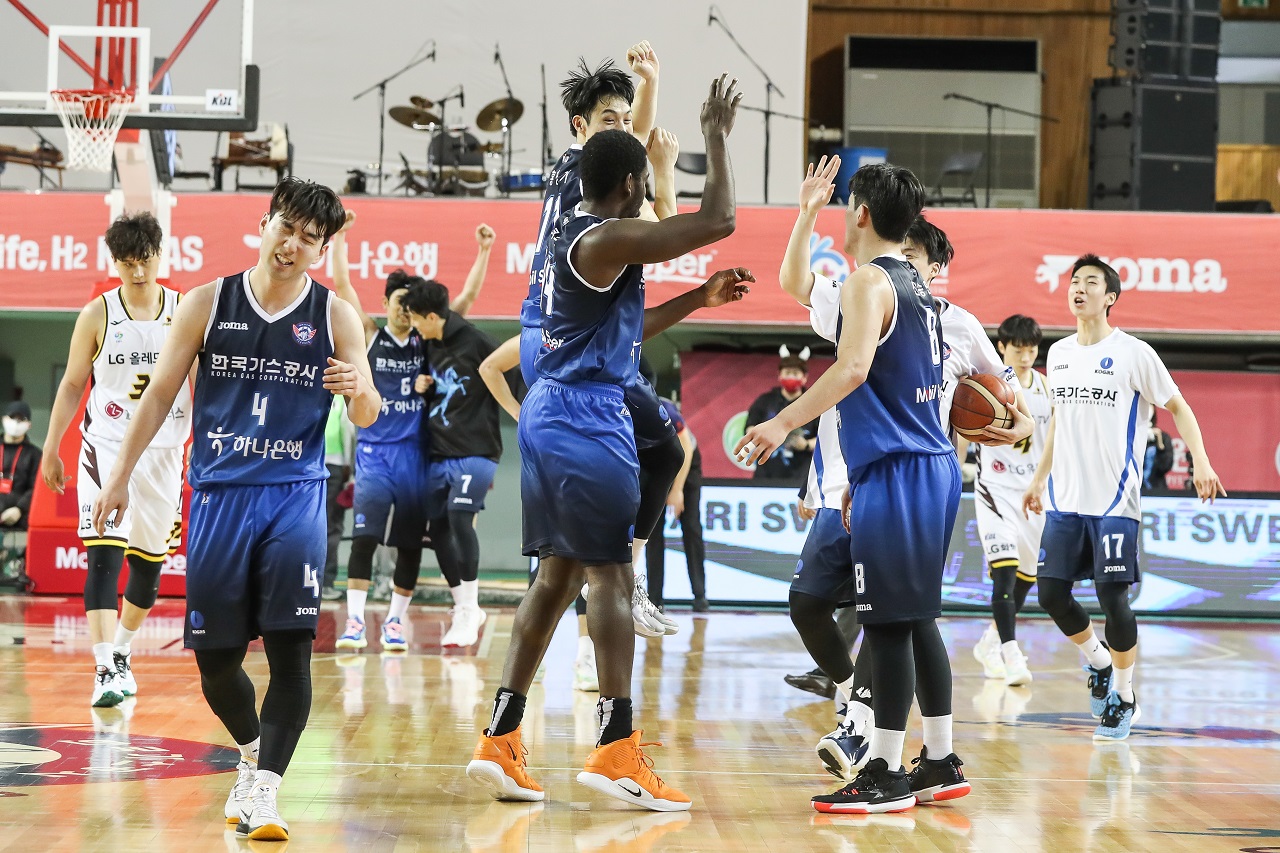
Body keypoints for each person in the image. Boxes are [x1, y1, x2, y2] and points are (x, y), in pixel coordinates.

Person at [465, 76, 749, 813]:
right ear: (629, 185)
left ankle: (500, 737)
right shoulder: (603, 236)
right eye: (644, 181)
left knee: (556, 578)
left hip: (550, 410)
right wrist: (715, 134)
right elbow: (717, 220)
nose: (649, 190)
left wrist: (699, 299)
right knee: (612, 580)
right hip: (588, 420)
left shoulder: (581, 240)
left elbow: (624, 330)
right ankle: (616, 746)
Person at [738, 161, 1032, 813]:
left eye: (848, 207)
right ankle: (937, 761)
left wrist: (783, 421)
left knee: (890, 627)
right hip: (919, 468)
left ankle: (885, 772)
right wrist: (863, 473)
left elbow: (853, 369)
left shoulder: (869, 281)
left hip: (900, 471)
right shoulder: (923, 294)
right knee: (913, 620)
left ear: (862, 214)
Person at [91, 178, 380, 840]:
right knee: (216, 663)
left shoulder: (336, 316)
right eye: (287, 227)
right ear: (264, 223)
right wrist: (120, 476)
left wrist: (360, 389)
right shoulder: (205, 302)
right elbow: (159, 395)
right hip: (219, 496)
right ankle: (251, 755)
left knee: (290, 652)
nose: (294, 244)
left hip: (294, 496)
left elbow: (367, 413)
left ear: (323, 248)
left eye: (311, 237)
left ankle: (268, 792)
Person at [518, 49, 685, 640]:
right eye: (608, 120)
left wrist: (651, 82)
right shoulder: (584, 178)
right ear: (580, 127)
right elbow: (667, 218)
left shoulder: (577, 168)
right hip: (565, 344)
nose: (622, 129)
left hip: (555, 336)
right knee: (661, 455)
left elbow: (631, 145)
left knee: (565, 562)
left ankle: (601, 595)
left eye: (624, 118)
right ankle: (624, 579)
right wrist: (665, 169)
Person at [1023, 254, 1225, 741]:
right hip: (1066, 499)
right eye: (1074, 281)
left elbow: (1178, 405)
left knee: (1112, 599)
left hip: (1115, 502)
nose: (1079, 288)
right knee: (1050, 594)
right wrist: (1038, 479)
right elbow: (1059, 424)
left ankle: (1124, 693)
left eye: (1091, 282)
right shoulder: (1059, 354)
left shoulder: (1134, 353)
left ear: (1110, 297)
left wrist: (1201, 461)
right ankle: (1097, 661)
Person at [40, 212, 191, 709]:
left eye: (145, 260)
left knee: (148, 569)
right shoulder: (97, 314)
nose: (138, 272)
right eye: (127, 263)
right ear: (115, 263)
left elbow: (205, 383)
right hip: (105, 446)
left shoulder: (184, 310)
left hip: (165, 452)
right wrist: (51, 446)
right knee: (103, 558)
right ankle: (104, 667)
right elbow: (71, 384)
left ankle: (123, 651)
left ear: (160, 255)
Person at [329, 210, 492, 652]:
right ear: (385, 304)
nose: (404, 310)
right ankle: (355, 621)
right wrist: (341, 236)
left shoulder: (427, 339)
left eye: (409, 304)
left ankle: (395, 622)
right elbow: (342, 285)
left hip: (417, 458)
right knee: (364, 538)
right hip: (375, 455)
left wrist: (483, 251)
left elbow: (466, 299)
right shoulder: (369, 334)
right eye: (398, 302)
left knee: (409, 545)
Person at [897, 215, 1036, 684]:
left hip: (935, 471)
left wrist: (1020, 419)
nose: (900, 261)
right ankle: (859, 693)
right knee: (872, 598)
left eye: (911, 255)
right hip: (878, 468)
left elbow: (1004, 381)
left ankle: (905, 709)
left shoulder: (961, 325)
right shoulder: (869, 310)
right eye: (897, 252)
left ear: (934, 269)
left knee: (917, 603)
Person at [401, 271, 502, 649]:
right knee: (437, 527)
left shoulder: (477, 341)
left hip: (477, 450)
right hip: (439, 452)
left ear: (431, 316)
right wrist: (422, 388)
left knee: (460, 517)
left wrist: (519, 412)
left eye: (415, 319)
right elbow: (434, 391)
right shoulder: (429, 344)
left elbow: (512, 370)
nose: (412, 326)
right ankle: (464, 605)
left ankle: (470, 608)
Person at [968, 315, 1051, 686]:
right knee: (1004, 571)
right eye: (1018, 349)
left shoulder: (1048, 388)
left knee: (1025, 580)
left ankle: (990, 641)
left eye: (1031, 349)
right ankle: (1012, 654)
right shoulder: (986, 385)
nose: (1026, 356)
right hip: (994, 489)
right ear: (1002, 347)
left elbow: (1055, 442)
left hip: (1033, 492)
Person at [643, 395, 707, 613]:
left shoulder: (665, 410)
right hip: (654, 465)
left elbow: (686, 448)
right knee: (651, 531)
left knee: (691, 527)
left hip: (685, 460)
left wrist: (677, 489)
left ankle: (700, 596)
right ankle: (654, 600)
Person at [743, 346, 818, 483]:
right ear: (779, 375)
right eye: (787, 373)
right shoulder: (765, 401)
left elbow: (824, 437)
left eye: (795, 373)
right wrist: (762, 437)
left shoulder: (813, 403)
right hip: (765, 474)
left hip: (801, 476)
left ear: (804, 377)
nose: (791, 377)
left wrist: (806, 444)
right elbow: (750, 428)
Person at [321, 396, 354, 600]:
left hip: (305, 465)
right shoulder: (341, 397)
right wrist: (349, 468)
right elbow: (347, 431)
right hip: (334, 465)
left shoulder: (306, 385)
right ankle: (325, 583)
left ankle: (302, 583)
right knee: (331, 526)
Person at [1, 401, 42, 531]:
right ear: (4, 419)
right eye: (12, 417)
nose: (16, 423)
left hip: (20, 521)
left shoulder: (35, 455)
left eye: (21, 419)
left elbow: (36, 487)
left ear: (29, 425)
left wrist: (20, 509)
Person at [1143, 411, 1174, 492]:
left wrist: (1160, 444)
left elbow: (1166, 466)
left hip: (1158, 488)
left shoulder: (1163, 437)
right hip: (1137, 487)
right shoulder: (1132, 437)